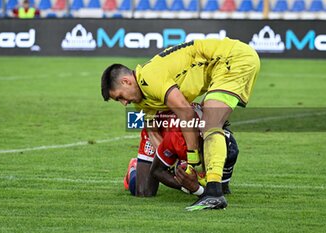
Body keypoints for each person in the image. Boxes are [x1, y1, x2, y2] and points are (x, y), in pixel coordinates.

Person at [101, 38, 260, 210]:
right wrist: (172, 164)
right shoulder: (141, 100)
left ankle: (214, 192)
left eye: (120, 97)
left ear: (126, 81)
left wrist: (191, 160)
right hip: (222, 66)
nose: (124, 104)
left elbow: (186, 112)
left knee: (210, 124)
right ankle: (211, 188)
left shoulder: (149, 77)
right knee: (144, 191)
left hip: (232, 58)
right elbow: (152, 131)